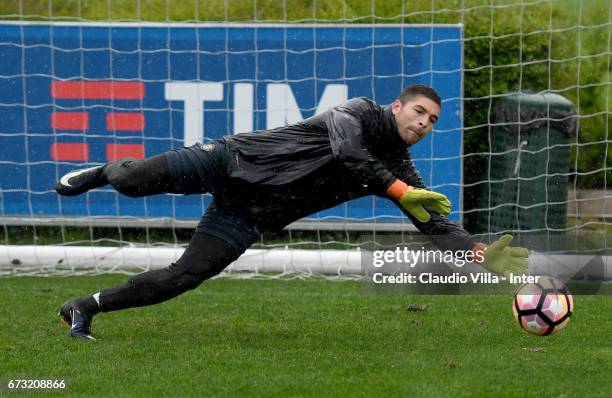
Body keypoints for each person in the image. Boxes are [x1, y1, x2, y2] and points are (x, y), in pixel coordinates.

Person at [56, 84, 528, 340]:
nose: (423, 123)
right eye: (418, 112)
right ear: (396, 106)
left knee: (186, 275)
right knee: (133, 183)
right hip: (231, 161)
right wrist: (398, 188)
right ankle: (101, 171)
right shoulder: (358, 112)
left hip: (250, 213)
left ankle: (86, 306)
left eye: (432, 121)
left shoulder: (401, 171)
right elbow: (349, 153)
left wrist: (477, 252)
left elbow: (436, 224)